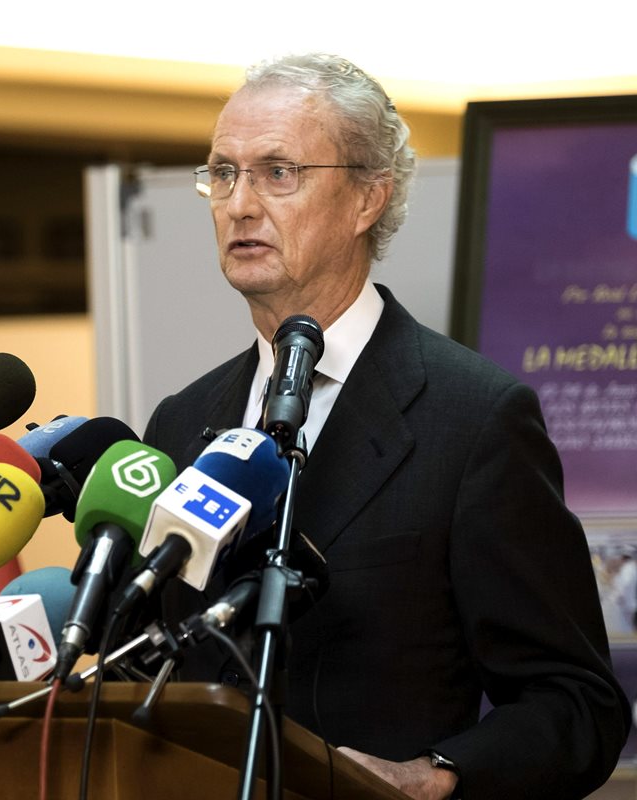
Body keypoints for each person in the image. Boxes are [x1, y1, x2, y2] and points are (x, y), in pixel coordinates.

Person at [144, 54, 630, 799]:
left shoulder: (474, 419)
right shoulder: (181, 420)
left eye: (278, 172)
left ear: (368, 198)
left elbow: (577, 704)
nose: (239, 204)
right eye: (224, 173)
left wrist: (435, 776)